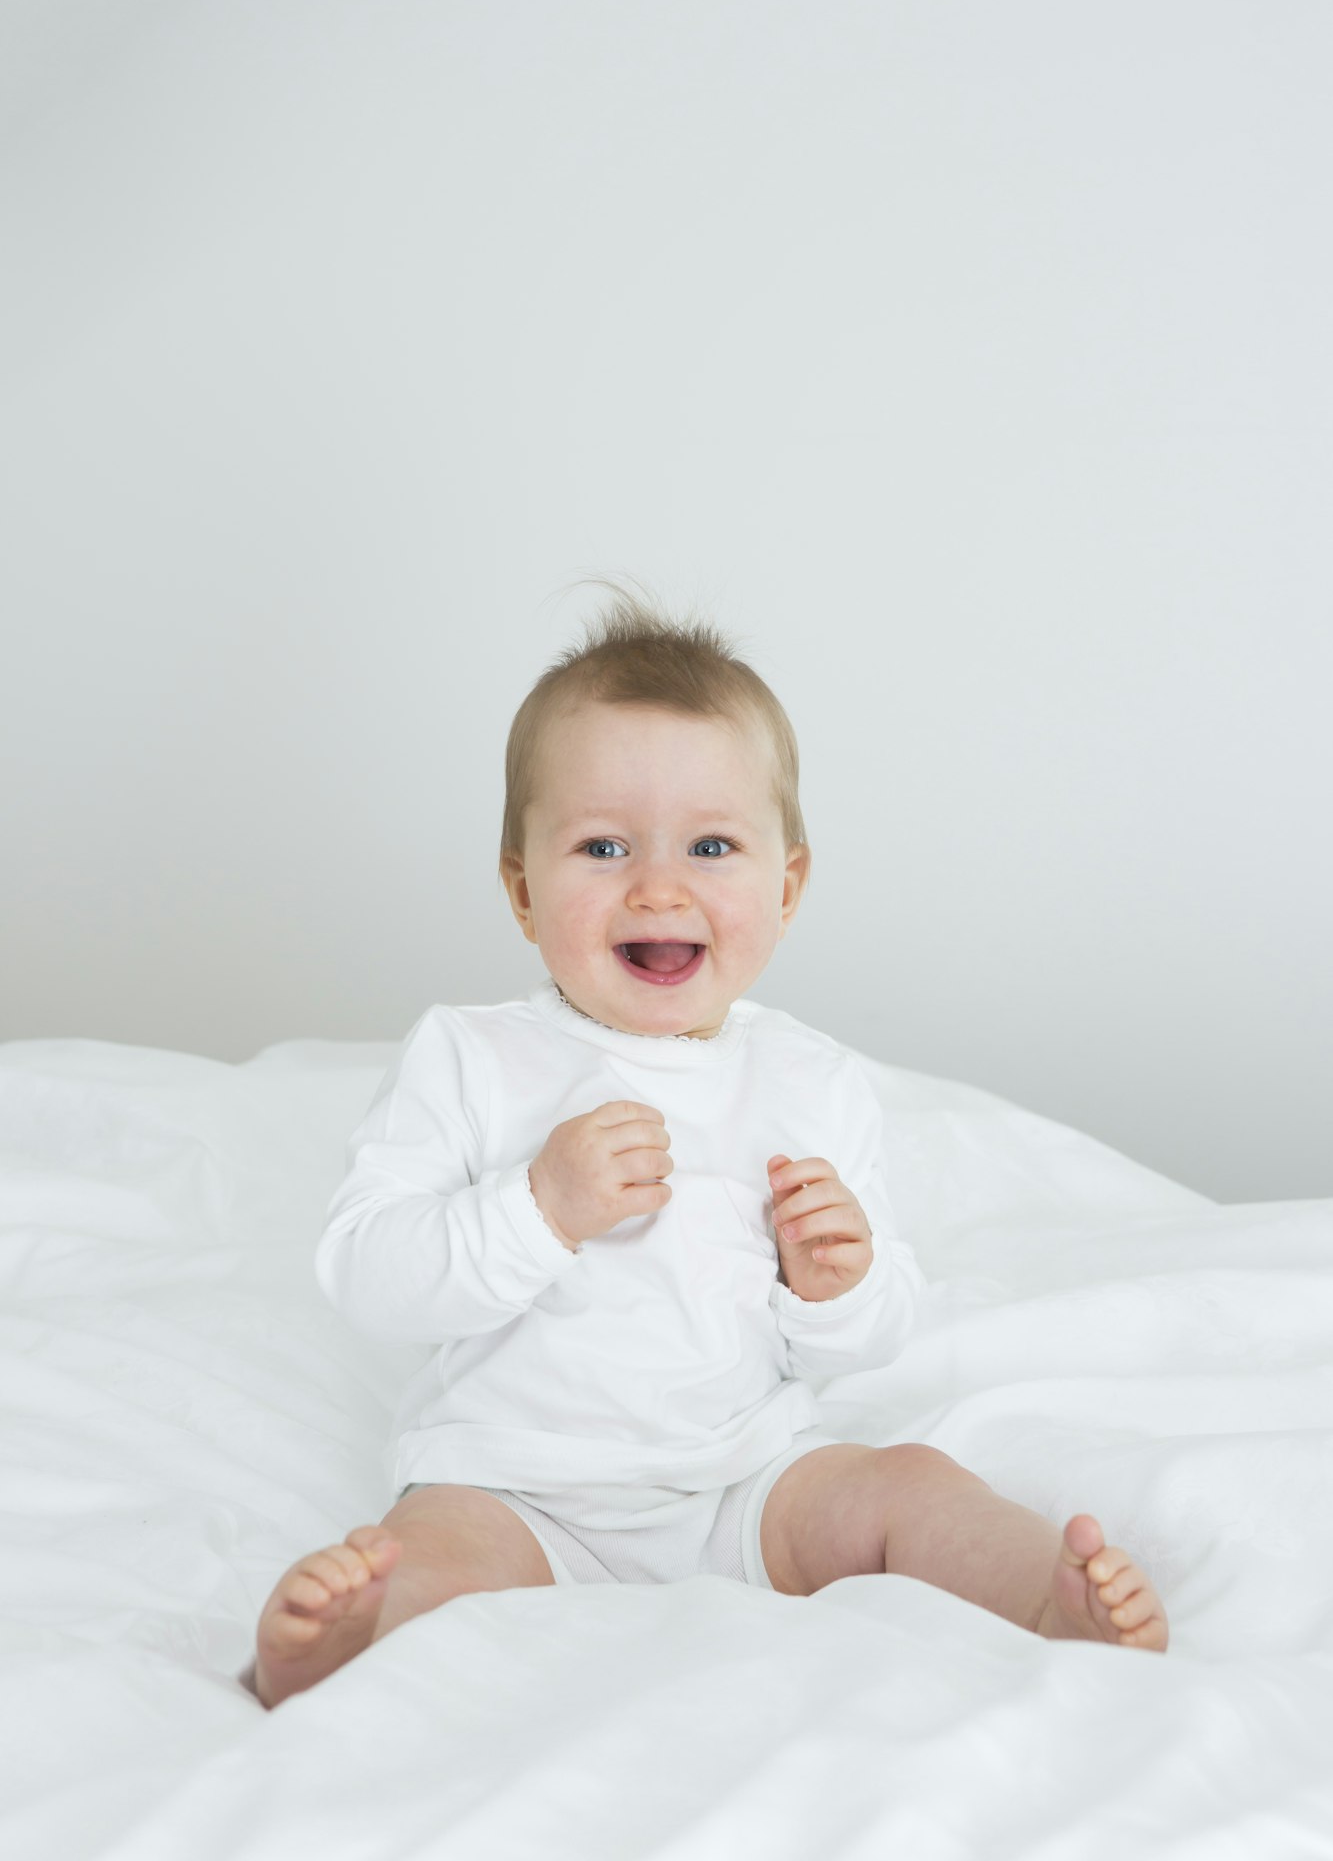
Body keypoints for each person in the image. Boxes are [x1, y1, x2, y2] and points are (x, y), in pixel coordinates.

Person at [242, 581, 1167, 1707]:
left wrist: (838, 1283)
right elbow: (371, 1273)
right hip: (517, 1484)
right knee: (431, 1553)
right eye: (601, 845)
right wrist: (539, 1206)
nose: (657, 882)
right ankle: (339, 1643)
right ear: (522, 890)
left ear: (785, 887)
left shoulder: (808, 1079)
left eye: (712, 843)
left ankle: (1041, 1600)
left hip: (747, 1478)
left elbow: (862, 1340)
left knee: (906, 1481)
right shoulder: (473, 1056)